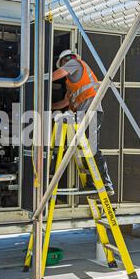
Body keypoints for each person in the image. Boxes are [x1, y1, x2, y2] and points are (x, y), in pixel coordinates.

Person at [52, 49, 114, 197]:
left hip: (91, 112)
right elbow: (66, 102)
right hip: (84, 114)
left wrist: (39, 78)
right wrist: (50, 106)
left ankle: (105, 183)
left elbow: (57, 75)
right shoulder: (71, 84)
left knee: (92, 148)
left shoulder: (75, 63)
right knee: (86, 149)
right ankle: (93, 184)